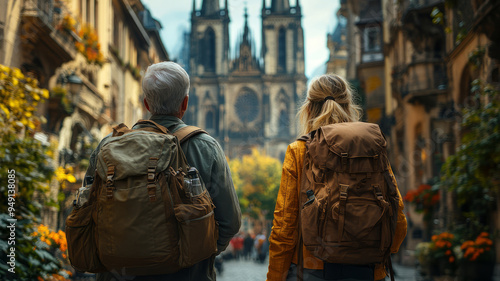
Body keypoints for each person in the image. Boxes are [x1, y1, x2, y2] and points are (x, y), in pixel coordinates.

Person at [83, 61, 241, 281]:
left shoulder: (108, 145)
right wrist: (197, 253)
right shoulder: (206, 147)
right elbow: (230, 222)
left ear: (146, 103)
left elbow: (85, 209)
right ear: (185, 103)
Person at [266, 74, 407, 281]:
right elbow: (398, 218)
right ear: (349, 106)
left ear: (308, 109)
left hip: (311, 267)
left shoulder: (299, 151)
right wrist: (376, 253)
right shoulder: (372, 147)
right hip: (366, 269)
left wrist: (275, 277)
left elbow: (284, 227)